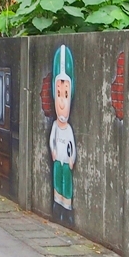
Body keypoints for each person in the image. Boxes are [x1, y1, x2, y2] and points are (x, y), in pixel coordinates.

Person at [49, 45, 76, 225]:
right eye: (59, 93)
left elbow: (72, 146)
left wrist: (72, 158)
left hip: (66, 162)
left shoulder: (68, 129)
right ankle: (57, 205)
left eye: (65, 94)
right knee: (57, 182)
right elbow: (52, 140)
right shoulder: (55, 126)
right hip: (58, 160)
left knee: (67, 183)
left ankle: (67, 208)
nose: (61, 101)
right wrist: (53, 150)